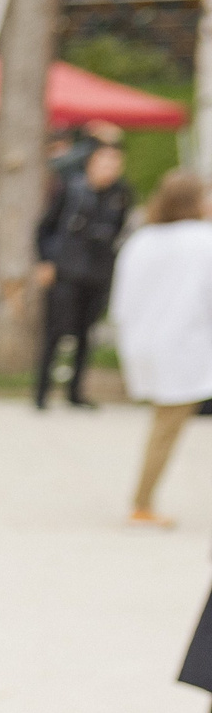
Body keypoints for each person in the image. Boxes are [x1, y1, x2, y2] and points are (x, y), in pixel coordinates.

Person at [108, 170, 212, 529]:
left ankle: (143, 500)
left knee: (165, 424)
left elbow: (121, 301)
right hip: (187, 347)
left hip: (149, 345)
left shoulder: (142, 240)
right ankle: (142, 502)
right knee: (166, 429)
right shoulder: (203, 239)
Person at [34, 141, 131, 411]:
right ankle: (41, 392)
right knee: (55, 331)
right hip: (66, 270)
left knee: (86, 334)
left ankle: (75, 391)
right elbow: (45, 228)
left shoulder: (121, 194)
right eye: (104, 162)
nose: (109, 169)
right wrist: (45, 262)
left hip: (98, 272)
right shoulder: (70, 190)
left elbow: (119, 232)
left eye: (114, 163)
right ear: (91, 163)